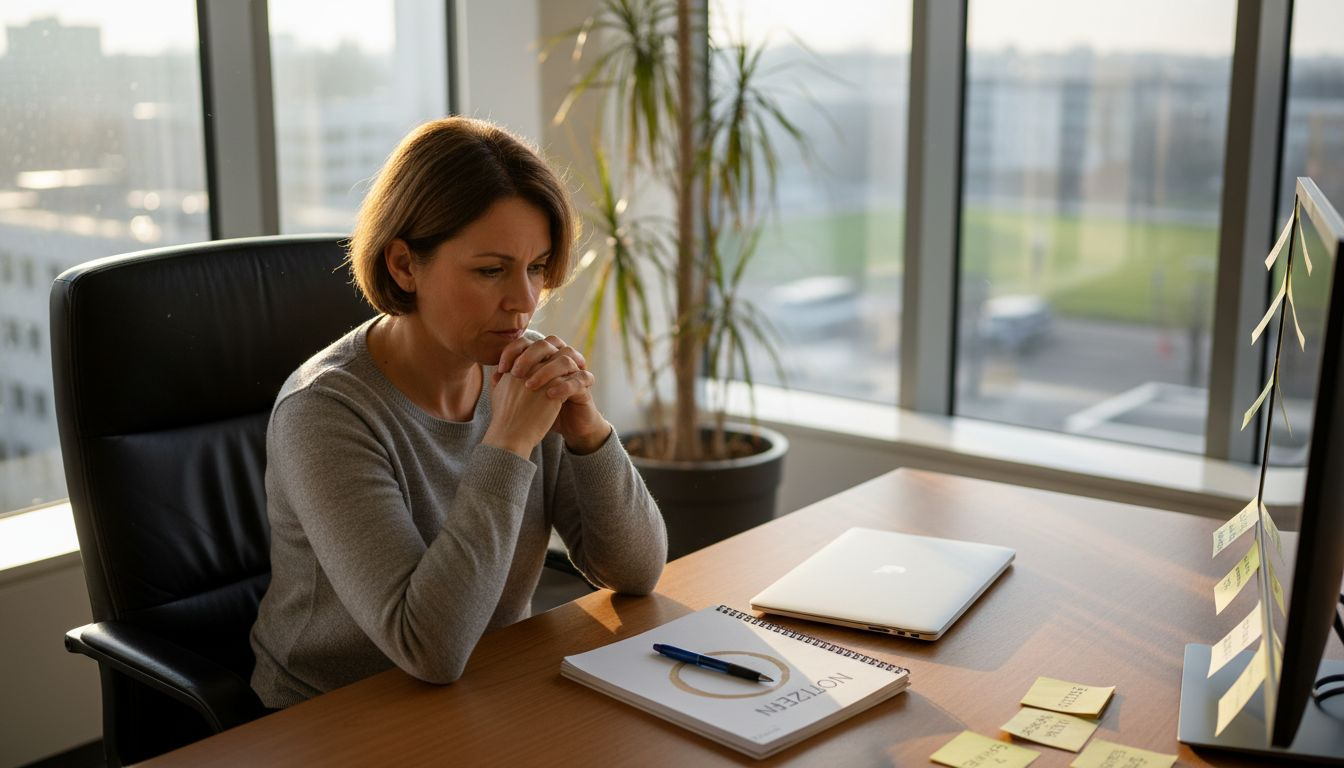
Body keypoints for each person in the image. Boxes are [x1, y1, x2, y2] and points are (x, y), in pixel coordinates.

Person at [249, 117, 667, 708]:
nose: (524, 301)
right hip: (337, 714)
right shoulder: (323, 414)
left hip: (490, 685)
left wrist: (588, 434)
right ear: (403, 265)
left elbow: (635, 571)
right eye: (491, 270)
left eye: (538, 267)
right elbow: (429, 648)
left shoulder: (518, 374)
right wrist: (510, 443)